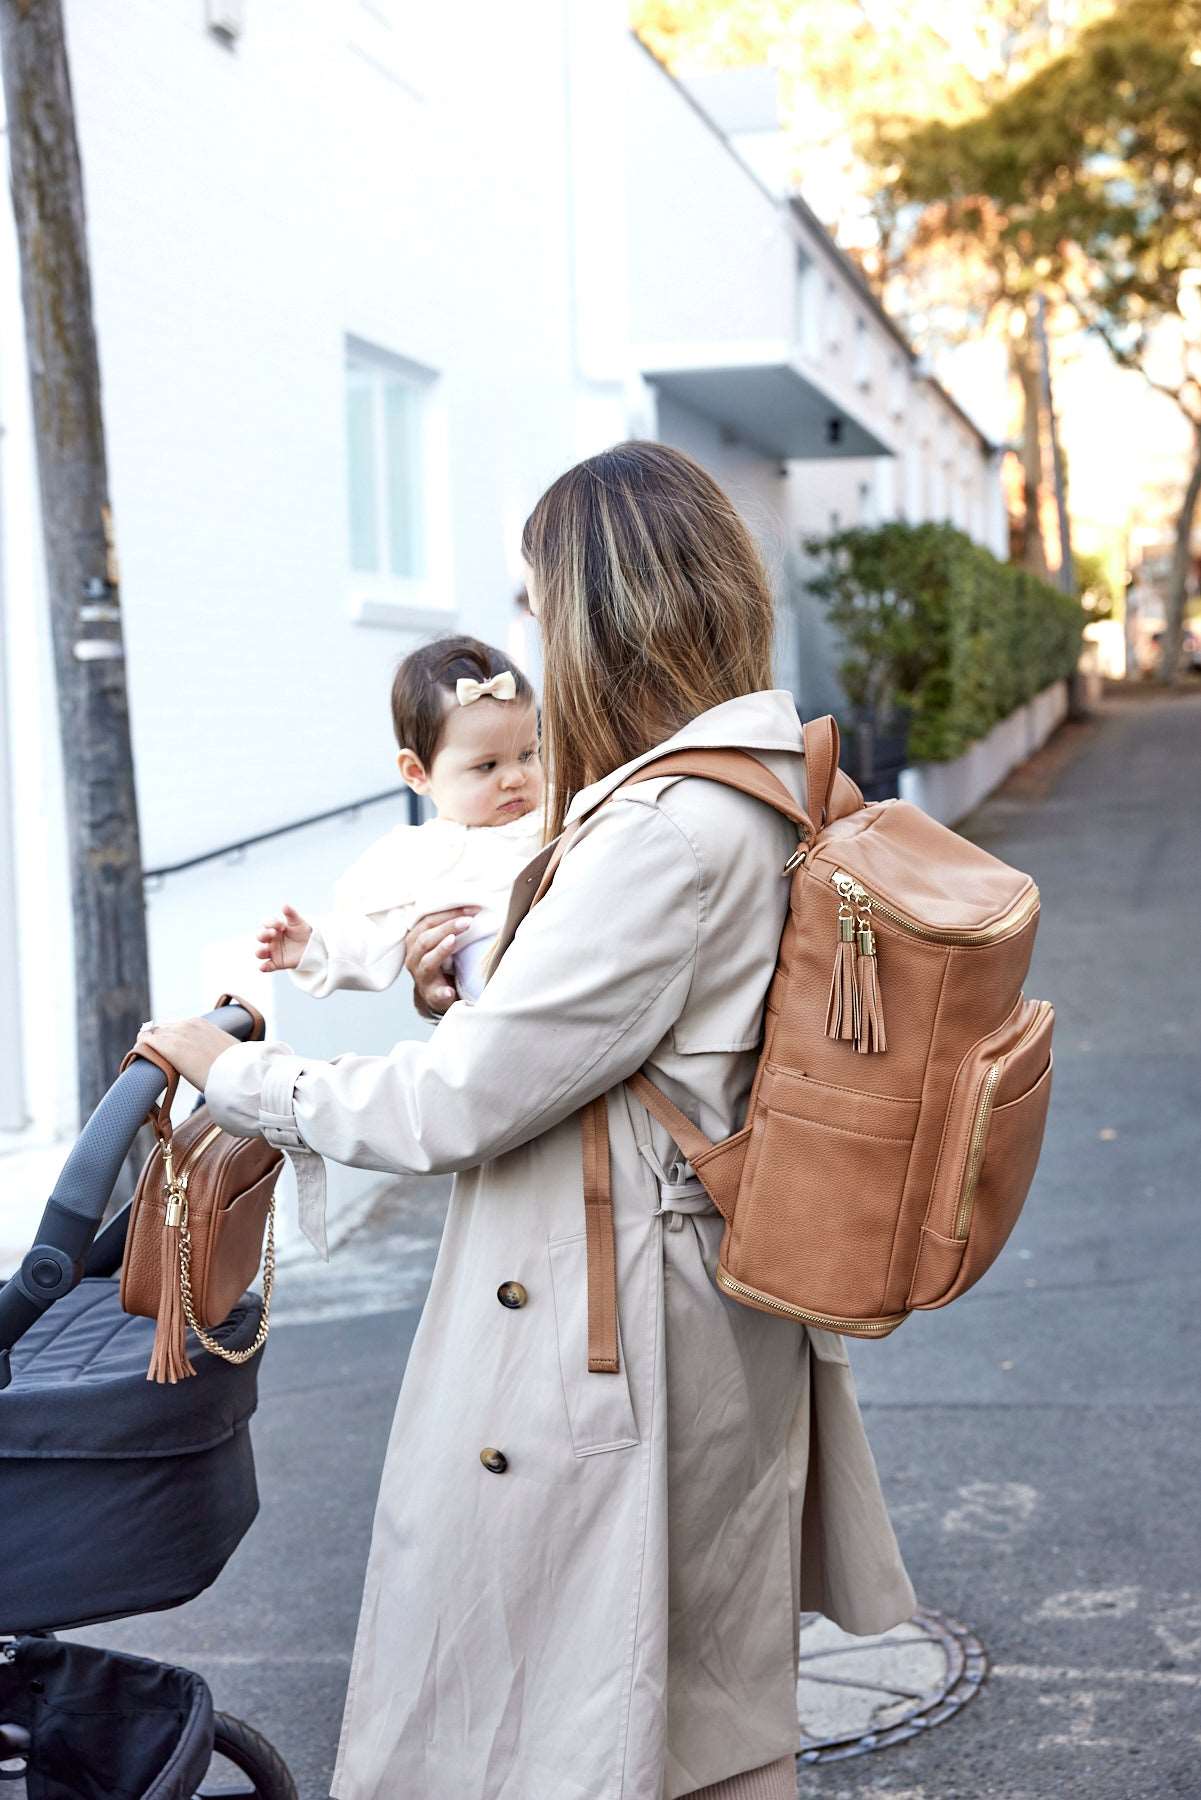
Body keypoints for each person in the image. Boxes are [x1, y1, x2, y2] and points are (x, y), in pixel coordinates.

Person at [140, 441, 915, 1800]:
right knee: (695, 1700)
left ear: (600, 612)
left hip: (603, 1322)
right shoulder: (754, 775)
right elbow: (637, 1012)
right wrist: (471, 968)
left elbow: (457, 1103)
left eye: (536, 598)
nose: (531, 633)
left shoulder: (662, 826)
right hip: (695, 1297)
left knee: (569, 1707)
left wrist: (242, 1075)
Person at [256, 635, 543, 1009]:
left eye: (527, 755)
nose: (515, 778)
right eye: (487, 766)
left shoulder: (558, 810)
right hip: (498, 992)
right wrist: (313, 946)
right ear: (416, 772)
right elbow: (367, 929)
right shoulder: (416, 854)